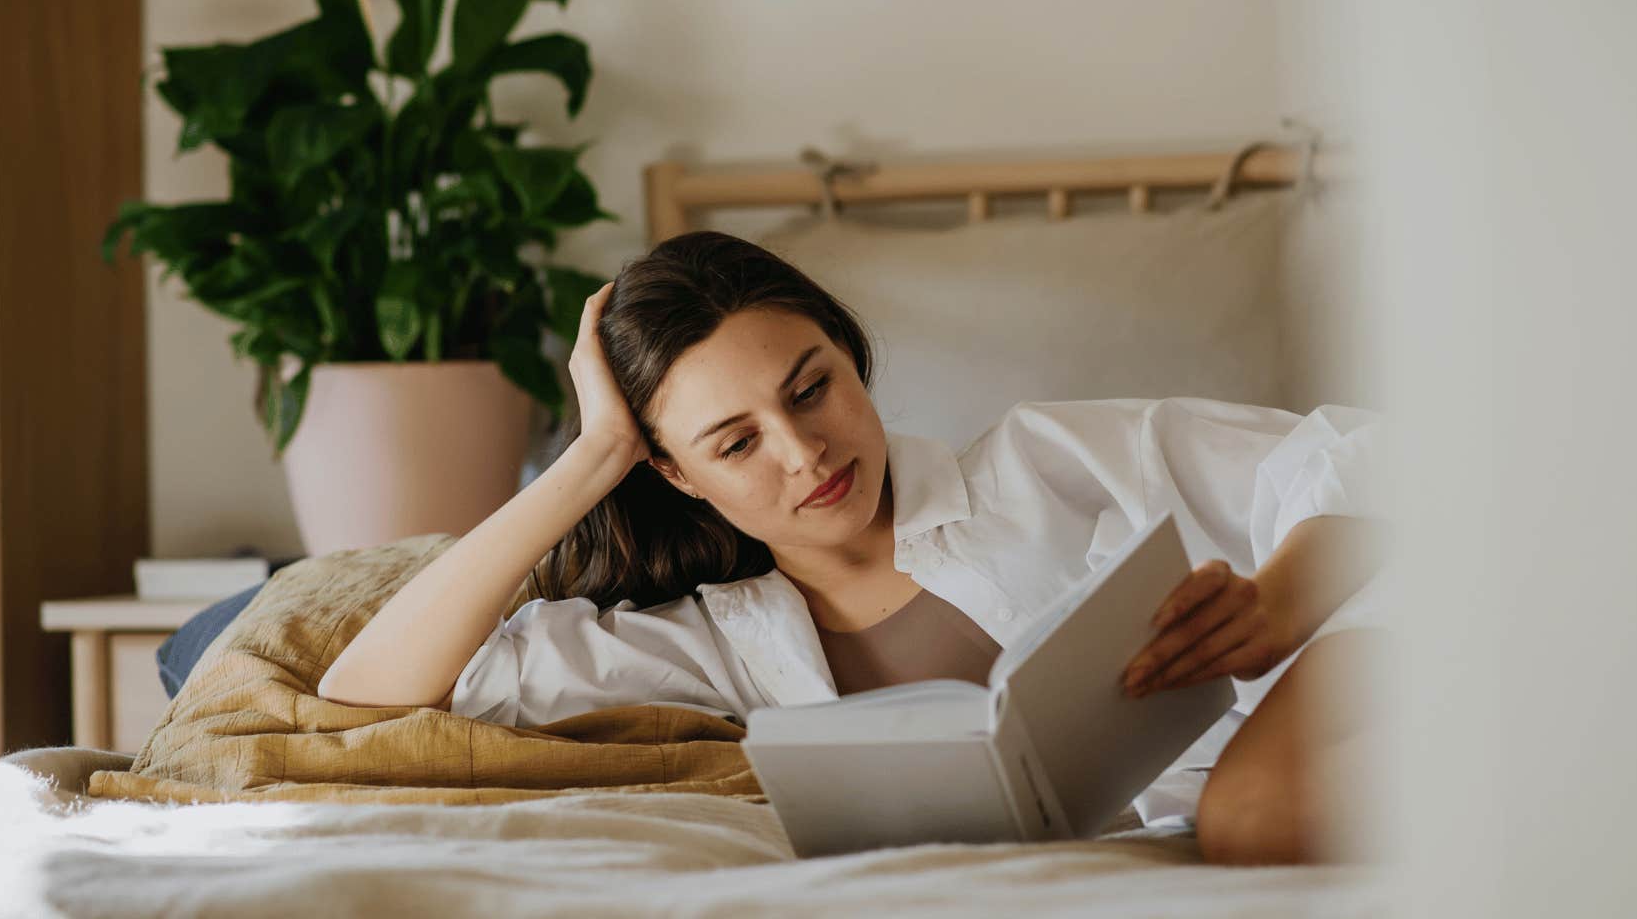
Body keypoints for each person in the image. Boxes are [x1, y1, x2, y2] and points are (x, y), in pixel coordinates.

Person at [317, 230, 1391, 864]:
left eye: (811, 387)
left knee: (1252, 820)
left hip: (1360, 654)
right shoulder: (716, 647)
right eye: (737, 442)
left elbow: (1377, 452)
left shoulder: (1043, 460)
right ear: (675, 473)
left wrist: (1284, 592)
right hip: (1237, 799)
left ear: (849, 354)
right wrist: (593, 455)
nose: (805, 452)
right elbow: (374, 692)